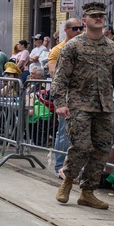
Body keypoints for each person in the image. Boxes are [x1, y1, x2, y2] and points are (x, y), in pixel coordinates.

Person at [52, 2, 114, 209]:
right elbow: (60, 77)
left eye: (101, 15)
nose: (99, 18)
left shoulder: (112, 47)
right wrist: (60, 102)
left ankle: (87, 192)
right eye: (94, 15)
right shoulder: (73, 46)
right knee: (82, 146)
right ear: (84, 20)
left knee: (102, 148)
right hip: (79, 105)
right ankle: (68, 181)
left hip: (105, 107)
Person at [47, 18, 84, 176]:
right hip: (67, 95)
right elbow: (53, 73)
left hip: (84, 95)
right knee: (64, 131)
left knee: (82, 132)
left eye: (80, 28)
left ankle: (77, 166)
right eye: (75, 28)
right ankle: (60, 167)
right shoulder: (57, 50)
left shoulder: (84, 46)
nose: (79, 31)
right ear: (66, 30)